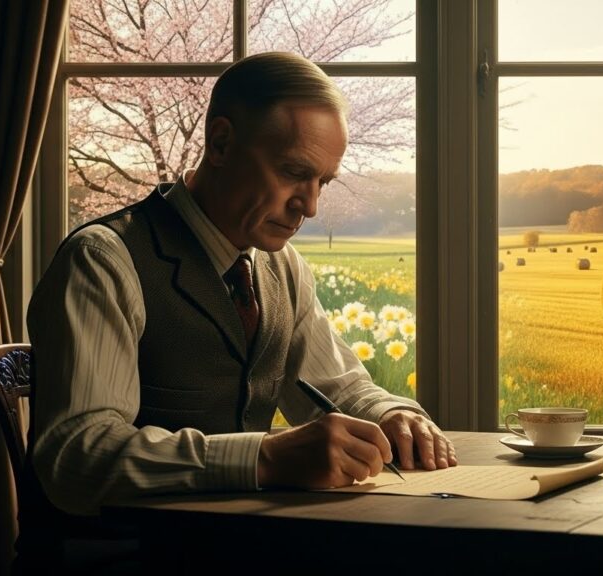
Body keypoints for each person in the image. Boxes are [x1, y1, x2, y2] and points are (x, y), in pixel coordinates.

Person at [23, 51, 457, 537]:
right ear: (222, 143)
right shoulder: (103, 260)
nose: (310, 207)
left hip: (244, 551)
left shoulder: (282, 267)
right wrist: (263, 457)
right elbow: (74, 458)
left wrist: (391, 413)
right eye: (293, 172)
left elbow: (338, 388)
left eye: (323, 182)